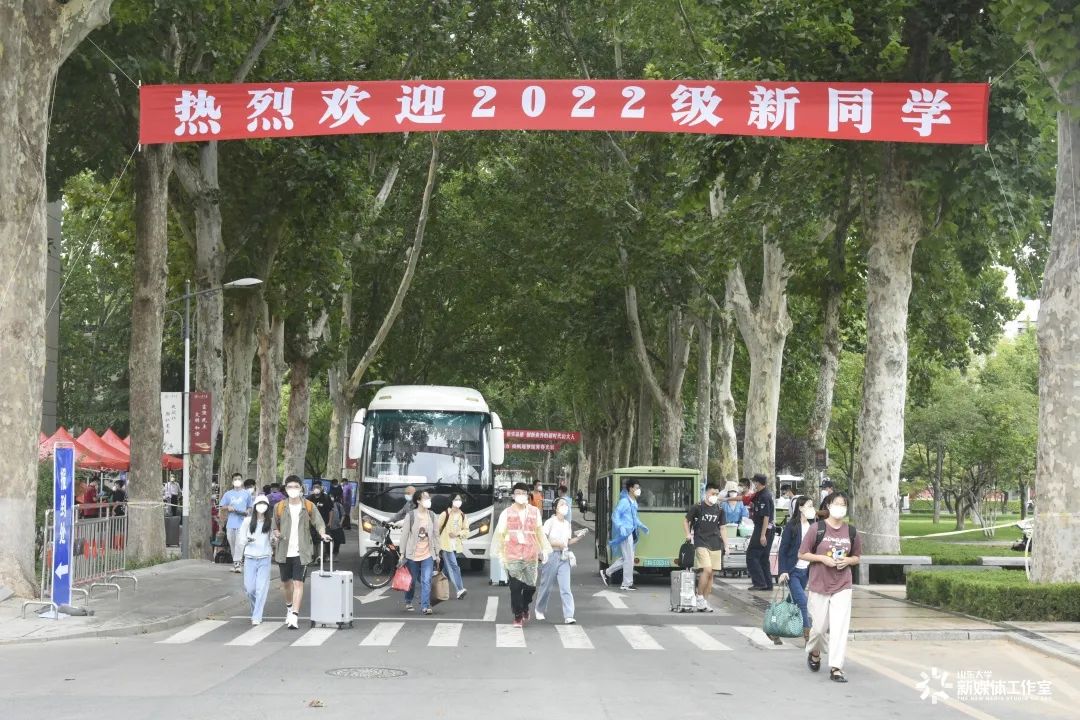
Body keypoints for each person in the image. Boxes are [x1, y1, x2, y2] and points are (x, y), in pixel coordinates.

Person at [799, 492, 862, 683]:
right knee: (818, 629)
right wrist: (822, 559)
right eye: (837, 504)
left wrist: (848, 561)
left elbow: (857, 556)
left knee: (839, 629)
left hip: (843, 584)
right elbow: (802, 554)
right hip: (819, 584)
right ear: (828, 505)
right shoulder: (816, 529)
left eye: (844, 504)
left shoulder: (851, 531)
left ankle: (836, 667)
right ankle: (815, 651)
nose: (840, 508)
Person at [272, 476, 330, 629]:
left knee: (298, 583)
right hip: (284, 551)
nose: (293, 489)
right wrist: (276, 533)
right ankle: (289, 608)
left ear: (301, 488)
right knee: (286, 583)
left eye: (295, 486)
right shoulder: (279, 507)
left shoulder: (309, 506)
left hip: (302, 551)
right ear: (285, 489)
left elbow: (319, 523)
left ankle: (294, 616)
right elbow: (274, 526)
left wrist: (322, 534)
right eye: (289, 486)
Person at [493, 483, 550, 628]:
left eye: (523, 493)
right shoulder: (506, 513)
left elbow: (539, 532)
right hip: (512, 555)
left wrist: (544, 550)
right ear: (513, 496)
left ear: (527, 495)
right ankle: (518, 615)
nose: (521, 495)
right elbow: (500, 535)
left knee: (530, 587)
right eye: (518, 493)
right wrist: (499, 555)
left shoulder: (534, 512)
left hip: (531, 555)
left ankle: (525, 606)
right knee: (515, 587)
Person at [535, 497, 582, 624]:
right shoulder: (550, 522)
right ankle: (539, 609)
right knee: (546, 586)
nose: (565, 507)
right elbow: (543, 539)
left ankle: (569, 615)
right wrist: (557, 544)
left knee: (566, 588)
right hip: (551, 556)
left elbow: (567, 542)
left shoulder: (567, 524)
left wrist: (577, 538)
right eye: (562, 504)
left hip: (564, 557)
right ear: (556, 508)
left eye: (566, 505)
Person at [683, 482, 729, 613]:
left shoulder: (719, 509)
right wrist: (688, 534)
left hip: (715, 543)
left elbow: (723, 527)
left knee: (711, 574)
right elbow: (686, 520)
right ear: (706, 493)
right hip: (701, 542)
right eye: (712, 493)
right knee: (707, 570)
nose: (714, 496)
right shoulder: (698, 507)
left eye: (716, 494)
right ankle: (699, 596)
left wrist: (726, 544)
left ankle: (704, 602)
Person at [778, 495, 817, 641]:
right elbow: (783, 549)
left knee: (791, 601)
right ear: (800, 508)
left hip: (806, 571)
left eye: (812, 505)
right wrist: (783, 571)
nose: (811, 508)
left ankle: (775, 629)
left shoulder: (814, 526)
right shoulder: (792, 526)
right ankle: (808, 635)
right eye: (808, 505)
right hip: (792, 571)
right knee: (802, 601)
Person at [600, 479, 649, 591]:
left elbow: (634, 518)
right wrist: (621, 526)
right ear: (631, 489)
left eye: (638, 488)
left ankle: (607, 572)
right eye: (636, 488)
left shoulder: (633, 502)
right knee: (629, 559)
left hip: (631, 532)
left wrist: (641, 525)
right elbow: (615, 515)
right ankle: (626, 583)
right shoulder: (624, 502)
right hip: (625, 533)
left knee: (626, 558)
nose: (638, 490)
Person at [398, 489, 439, 615]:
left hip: (428, 553)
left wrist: (437, 554)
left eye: (428, 497)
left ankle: (425, 606)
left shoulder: (432, 515)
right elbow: (404, 535)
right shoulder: (410, 515)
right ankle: (408, 600)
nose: (428, 500)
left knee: (426, 580)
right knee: (412, 580)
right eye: (425, 498)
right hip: (412, 554)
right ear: (418, 501)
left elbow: (436, 535)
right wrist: (402, 554)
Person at [239, 494, 274, 625]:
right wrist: (247, 540)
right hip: (250, 558)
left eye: (264, 504)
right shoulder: (247, 521)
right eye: (259, 504)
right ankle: (255, 610)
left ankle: (257, 616)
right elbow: (241, 539)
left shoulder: (270, 522)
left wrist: (275, 539)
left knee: (261, 589)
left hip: (265, 558)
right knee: (249, 589)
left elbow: (272, 539)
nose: (261, 507)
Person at [437, 493, 470, 599]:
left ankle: (436, 586)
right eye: (456, 499)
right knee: (454, 567)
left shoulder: (462, 515)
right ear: (451, 501)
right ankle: (459, 590)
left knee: (446, 570)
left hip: (456, 546)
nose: (458, 501)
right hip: (445, 545)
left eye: (460, 499)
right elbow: (436, 530)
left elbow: (466, 530)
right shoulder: (445, 514)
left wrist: (457, 534)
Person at [219, 473, 254, 573]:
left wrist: (247, 511)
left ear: (242, 481)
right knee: (232, 544)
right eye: (235, 479)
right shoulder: (228, 494)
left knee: (240, 543)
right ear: (232, 481)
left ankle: (238, 563)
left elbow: (250, 506)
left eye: (239, 479)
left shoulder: (246, 494)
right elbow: (222, 506)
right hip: (231, 523)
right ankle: (236, 563)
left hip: (242, 523)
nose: (237, 480)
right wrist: (228, 507)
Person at [747, 474, 775, 591]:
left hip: (763, 528)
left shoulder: (765, 496)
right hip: (764, 528)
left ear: (758, 483)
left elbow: (766, 517)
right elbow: (745, 498)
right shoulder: (759, 494)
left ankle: (759, 582)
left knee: (752, 555)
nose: (754, 484)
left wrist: (763, 535)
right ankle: (767, 583)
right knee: (763, 557)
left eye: (754, 482)